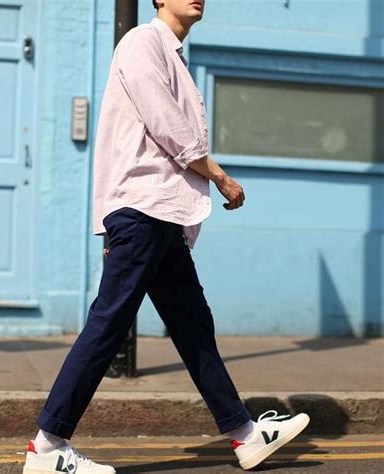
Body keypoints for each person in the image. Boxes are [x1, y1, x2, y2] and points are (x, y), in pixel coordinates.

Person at [22, 1, 310, 472]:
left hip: (161, 215)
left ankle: (245, 435)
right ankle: (47, 446)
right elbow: (168, 125)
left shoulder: (171, 53)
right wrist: (220, 177)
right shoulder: (142, 42)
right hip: (142, 209)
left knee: (193, 325)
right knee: (109, 323)